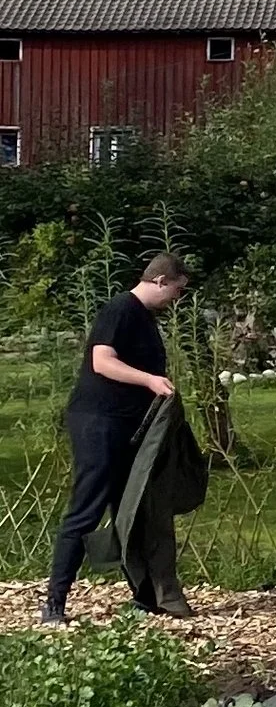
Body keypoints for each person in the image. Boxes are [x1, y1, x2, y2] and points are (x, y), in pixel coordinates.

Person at [42, 253, 190, 627]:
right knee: (87, 509)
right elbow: (102, 362)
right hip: (98, 422)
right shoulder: (120, 309)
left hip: (126, 425)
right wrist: (149, 380)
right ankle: (54, 603)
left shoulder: (145, 318)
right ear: (160, 281)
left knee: (132, 508)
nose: (177, 298)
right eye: (177, 290)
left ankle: (144, 598)